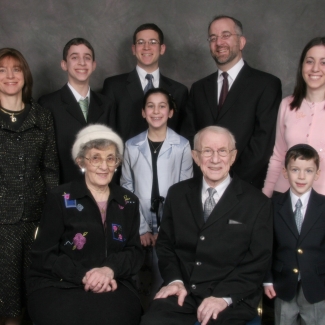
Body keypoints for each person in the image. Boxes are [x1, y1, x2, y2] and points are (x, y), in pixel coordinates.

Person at [141, 126, 273, 325]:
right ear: (195, 156)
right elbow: (166, 245)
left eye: (222, 151)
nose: (215, 159)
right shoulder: (177, 194)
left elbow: (257, 261)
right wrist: (175, 280)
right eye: (207, 151)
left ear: (233, 156)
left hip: (232, 299)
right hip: (184, 292)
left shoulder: (257, 203)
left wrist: (224, 297)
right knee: (152, 321)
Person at [27, 124, 144, 325]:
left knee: (116, 318)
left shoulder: (129, 201)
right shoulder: (60, 198)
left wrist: (108, 270)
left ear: (117, 163)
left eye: (110, 158)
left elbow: (135, 251)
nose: (104, 166)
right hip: (60, 284)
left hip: (113, 282)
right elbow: (43, 255)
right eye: (95, 158)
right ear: (81, 161)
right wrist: (84, 276)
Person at [181, 15, 282, 189]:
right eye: (213, 38)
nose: (219, 42)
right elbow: (189, 136)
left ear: (241, 42)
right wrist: (208, 176)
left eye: (226, 35)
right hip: (203, 186)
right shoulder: (198, 88)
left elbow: (263, 143)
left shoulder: (266, 84)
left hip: (245, 188)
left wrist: (227, 182)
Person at [0, 48, 59, 325]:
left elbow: (50, 169)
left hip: (36, 220)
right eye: (2, 70)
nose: (10, 76)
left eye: (16, 69)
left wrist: (52, 216)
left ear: (25, 75)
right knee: (8, 300)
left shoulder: (41, 116)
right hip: (2, 222)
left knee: (35, 295)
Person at [121, 88, 193, 308]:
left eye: (162, 106)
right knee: (137, 278)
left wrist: (165, 229)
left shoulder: (182, 146)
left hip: (169, 222)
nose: (156, 111)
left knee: (164, 276)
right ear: (143, 112)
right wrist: (142, 227)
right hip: (139, 219)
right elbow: (126, 187)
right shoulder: (131, 146)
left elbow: (184, 191)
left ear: (170, 112)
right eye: (150, 106)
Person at [38, 38, 114, 184]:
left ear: (93, 65)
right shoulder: (49, 104)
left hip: (100, 191)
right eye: (74, 57)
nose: (82, 62)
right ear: (64, 64)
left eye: (87, 57)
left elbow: (113, 153)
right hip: (64, 190)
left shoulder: (107, 104)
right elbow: (45, 159)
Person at [264, 144, 325, 325]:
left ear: (317, 174)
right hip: (283, 286)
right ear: (285, 171)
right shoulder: (272, 206)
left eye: (308, 171)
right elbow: (267, 246)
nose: (301, 176)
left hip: (317, 286)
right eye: (295, 169)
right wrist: (267, 280)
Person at [102, 23, 188, 142]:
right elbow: (106, 133)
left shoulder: (179, 91)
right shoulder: (113, 86)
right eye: (141, 42)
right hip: (125, 159)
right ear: (133, 49)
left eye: (153, 42)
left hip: (167, 160)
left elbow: (182, 136)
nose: (146, 47)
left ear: (162, 49)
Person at [263, 37, 325, 197]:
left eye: (323, 62)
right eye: (310, 61)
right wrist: (266, 197)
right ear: (302, 66)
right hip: (283, 197)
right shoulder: (287, 105)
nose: (315, 69)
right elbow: (278, 157)